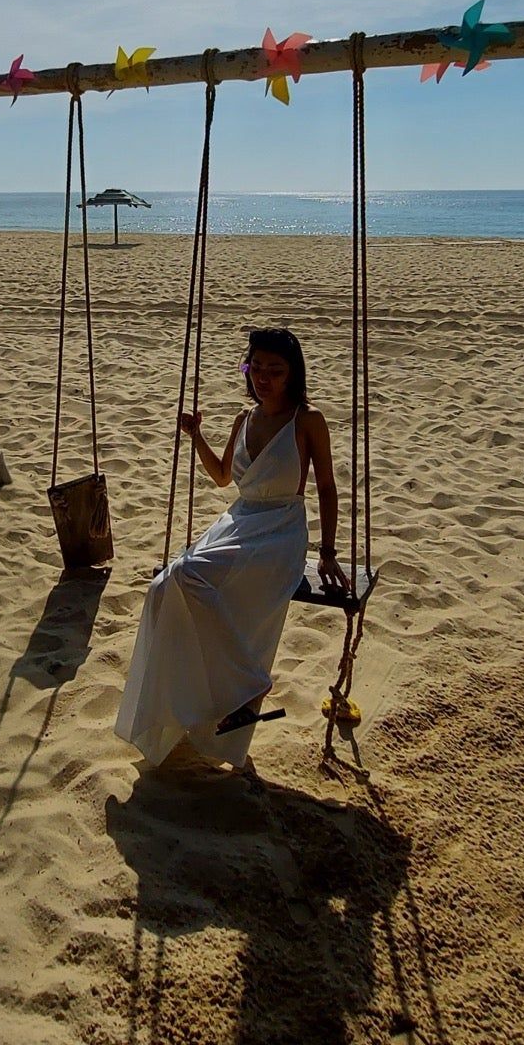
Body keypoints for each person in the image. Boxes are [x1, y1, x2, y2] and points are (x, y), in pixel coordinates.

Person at [114, 327, 347, 769]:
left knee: (188, 576)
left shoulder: (307, 420)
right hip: (239, 521)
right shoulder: (244, 419)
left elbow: (328, 487)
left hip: (280, 532)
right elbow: (223, 477)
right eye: (255, 368)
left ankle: (248, 684)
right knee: (163, 588)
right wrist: (196, 436)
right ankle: (183, 710)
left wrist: (329, 551)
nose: (263, 378)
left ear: (293, 374)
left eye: (275, 371)